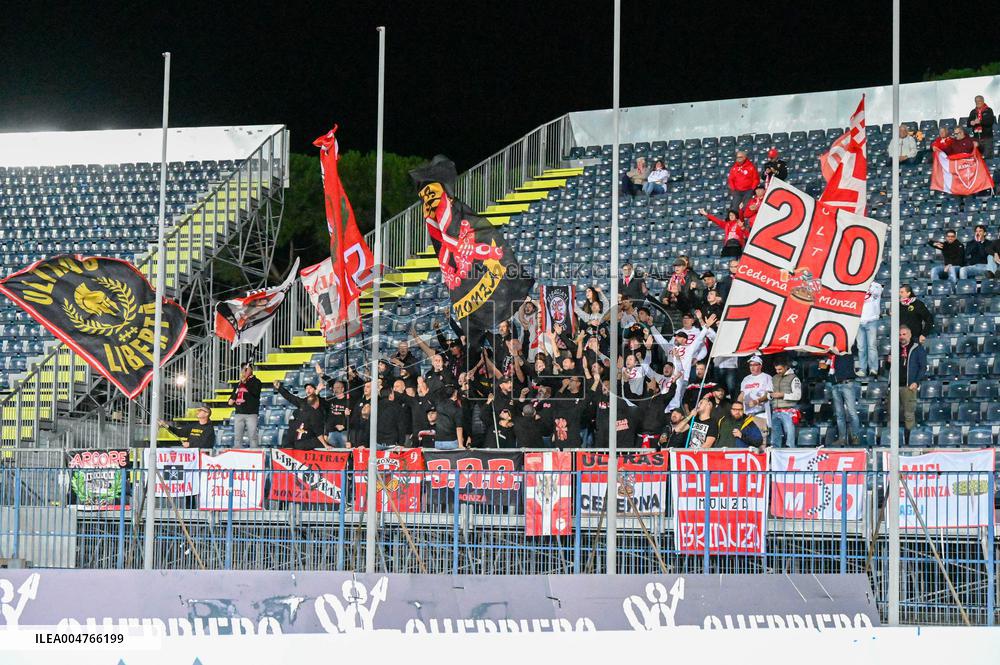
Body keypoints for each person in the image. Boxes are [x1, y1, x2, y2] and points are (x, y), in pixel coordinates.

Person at [889, 325, 927, 441]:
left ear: (910, 335)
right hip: (895, 387)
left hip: (909, 387)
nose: (901, 337)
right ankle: (893, 440)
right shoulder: (895, 348)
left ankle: (909, 441)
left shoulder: (917, 348)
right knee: (892, 414)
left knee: (909, 415)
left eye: (904, 334)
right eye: (900, 335)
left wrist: (916, 382)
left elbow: (923, 367)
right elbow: (888, 368)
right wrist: (888, 362)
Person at [820, 350, 861, 446]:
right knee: (839, 414)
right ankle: (842, 438)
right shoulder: (830, 356)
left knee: (852, 413)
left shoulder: (847, 349)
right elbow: (825, 369)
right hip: (835, 384)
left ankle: (855, 437)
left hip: (847, 383)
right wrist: (823, 365)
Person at [769, 358, 802, 448]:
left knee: (790, 438)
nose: (777, 371)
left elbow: (797, 396)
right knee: (775, 437)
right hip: (775, 410)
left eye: (780, 369)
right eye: (776, 369)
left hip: (788, 411)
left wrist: (782, 395)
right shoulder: (774, 378)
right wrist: (769, 395)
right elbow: (769, 392)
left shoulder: (794, 378)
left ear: (786, 367)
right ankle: (776, 455)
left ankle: (791, 454)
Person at [228, 362, 261, 448]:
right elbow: (233, 396)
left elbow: (255, 393)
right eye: (243, 370)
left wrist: (245, 383)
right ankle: (237, 456)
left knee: (253, 437)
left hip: (251, 413)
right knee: (237, 438)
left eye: (246, 369)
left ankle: (254, 455)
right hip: (239, 412)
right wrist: (231, 399)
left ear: (251, 370)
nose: (244, 372)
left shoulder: (256, 382)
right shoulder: (238, 383)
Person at [738, 355, 773, 434]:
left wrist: (757, 401)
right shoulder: (746, 379)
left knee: (762, 440)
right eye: (751, 365)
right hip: (747, 415)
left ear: (760, 365)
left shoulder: (767, 377)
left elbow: (769, 394)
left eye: (755, 365)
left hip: (761, 414)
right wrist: (738, 405)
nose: (752, 367)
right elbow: (742, 394)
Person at [857, 281, 883, 377]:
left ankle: (873, 368)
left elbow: (877, 293)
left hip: (871, 320)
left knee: (872, 346)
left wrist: (868, 285)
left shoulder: (877, 285)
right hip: (859, 320)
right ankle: (862, 369)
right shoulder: (857, 285)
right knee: (861, 347)